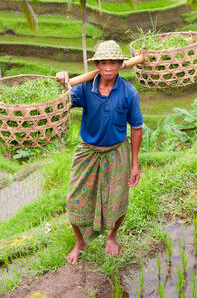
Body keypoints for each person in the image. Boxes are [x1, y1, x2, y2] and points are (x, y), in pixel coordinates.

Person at [56, 40, 143, 265]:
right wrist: (61, 81)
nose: (107, 68)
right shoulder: (85, 87)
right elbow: (60, 101)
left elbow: (136, 127)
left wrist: (135, 163)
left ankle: (112, 237)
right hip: (88, 151)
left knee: (118, 200)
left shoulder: (128, 92)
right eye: (103, 62)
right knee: (74, 200)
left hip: (116, 151)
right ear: (96, 65)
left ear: (120, 65)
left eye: (113, 63)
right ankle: (80, 242)